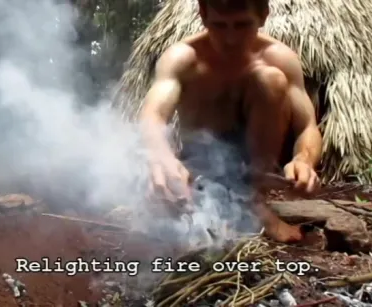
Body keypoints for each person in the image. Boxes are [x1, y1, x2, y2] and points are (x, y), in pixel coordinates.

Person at [138, 0, 323, 242]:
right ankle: (197, 201)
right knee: (157, 213)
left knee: (269, 79)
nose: (231, 38)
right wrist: (162, 157)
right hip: (199, 166)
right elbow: (152, 116)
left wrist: (304, 160)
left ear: (263, 16)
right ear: (203, 15)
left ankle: (253, 203)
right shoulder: (183, 58)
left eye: (242, 25)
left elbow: (307, 127)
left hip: (255, 166)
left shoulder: (280, 58)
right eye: (220, 25)